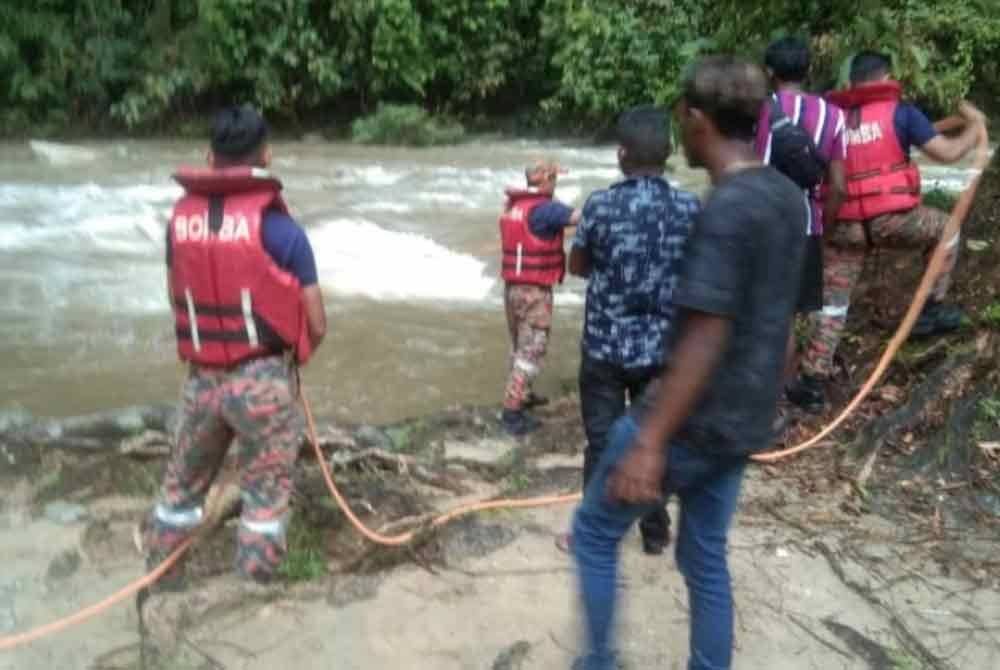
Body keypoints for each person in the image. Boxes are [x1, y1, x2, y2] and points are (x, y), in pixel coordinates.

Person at [571, 57, 807, 670]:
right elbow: (783, 321)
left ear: (696, 119)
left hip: (691, 418)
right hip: (743, 420)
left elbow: (705, 333)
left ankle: (597, 663)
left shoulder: (725, 209)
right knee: (704, 556)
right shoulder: (786, 197)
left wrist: (650, 441)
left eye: (683, 112)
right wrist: (770, 401)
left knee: (595, 532)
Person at [145, 105, 327, 585]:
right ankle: (250, 589)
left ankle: (163, 581)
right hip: (262, 383)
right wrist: (291, 355)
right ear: (266, 156)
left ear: (208, 157)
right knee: (265, 499)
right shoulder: (283, 231)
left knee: (180, 491)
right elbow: (316, 321)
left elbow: (174, 297)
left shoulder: (178, 225)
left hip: (201, 382)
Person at [788, 50, 987, 412]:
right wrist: (975, 126)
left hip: (844, 225)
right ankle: (929, 309)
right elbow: (948, 153)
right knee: (947, 230)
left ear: (852, 81)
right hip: (893, 219)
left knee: (832, 306)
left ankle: (812, 383)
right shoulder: (902, 113)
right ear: (886, 77)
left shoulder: (830, 118)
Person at [563, 105, 700, 556]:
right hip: (662, 349)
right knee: (651, 439)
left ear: (621, 154)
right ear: (668, 153)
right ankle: (655, 534)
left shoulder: (600, 205)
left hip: (604, 345)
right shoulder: (689, 207)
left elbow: (577, 265)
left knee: (602, 441)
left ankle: (593, 534)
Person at [755, 36, 847, 390]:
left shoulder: (760, 112)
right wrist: (826, 227)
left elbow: (753, 174)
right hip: (808, 222)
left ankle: (763, 396)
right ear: (808, 71)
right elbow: (838, 186)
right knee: (789, 316)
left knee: (763, 315)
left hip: (765, 225)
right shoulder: (834, 115)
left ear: (769, 71)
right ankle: (783, 392)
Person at [499, 160, 580, 436]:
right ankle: (512, 411)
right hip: (534, 290)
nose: (556, 183)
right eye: (555, 178)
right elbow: (580, 218)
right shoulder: (546, 209)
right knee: (532, 348)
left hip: (512, 287)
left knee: (519, 344)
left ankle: (523, 394)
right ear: (545, 179)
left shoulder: (515, 207)